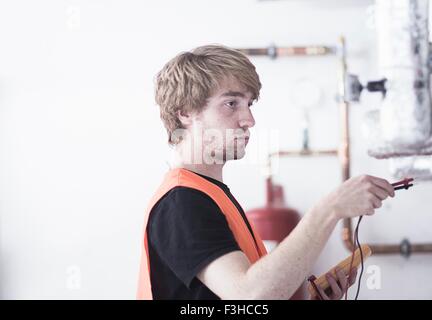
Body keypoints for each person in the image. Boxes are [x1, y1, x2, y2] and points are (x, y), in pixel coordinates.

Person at [137, 44, 395, 300]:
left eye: (248, 104)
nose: (249, 119)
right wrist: (329, 209)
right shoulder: (182, 202)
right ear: (185, 112)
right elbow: (250, 295)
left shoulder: (209, 195)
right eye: (231, 103)